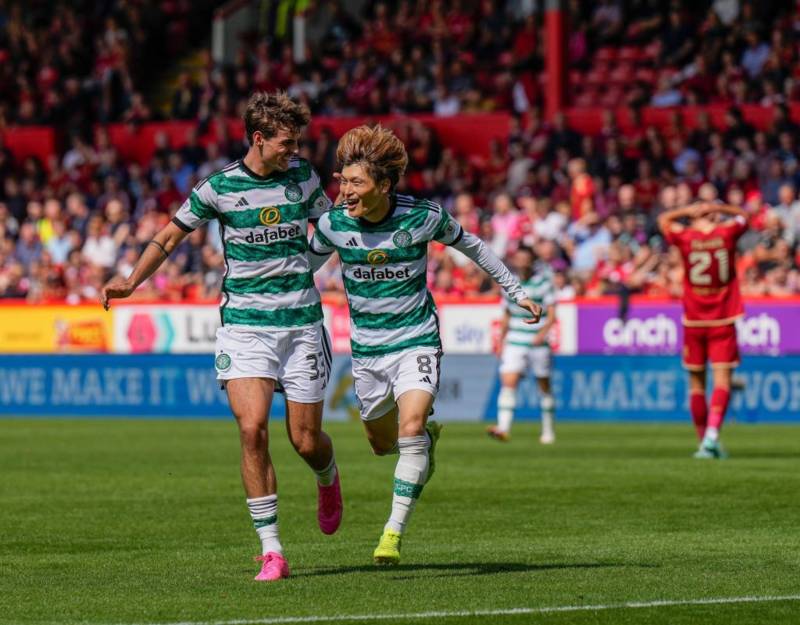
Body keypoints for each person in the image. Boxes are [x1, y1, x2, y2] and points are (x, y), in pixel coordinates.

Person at [100, 92, 342, 581]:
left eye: (296, 143)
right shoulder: (219, 187)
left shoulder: (303, 177)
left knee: (304, 440)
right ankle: (272, 550)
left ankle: (327, 476)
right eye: (286, 143)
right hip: (245, 327)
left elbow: (333, 226)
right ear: (259, 138)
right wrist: (132, 280)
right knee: (252, 429)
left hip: (300, 324)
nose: (293, 151)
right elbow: (169, 236)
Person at [307, 125, 541, 564]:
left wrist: (517, 292)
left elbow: (474, 247)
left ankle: (391, 534)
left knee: (411, 427)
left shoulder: (422, 216)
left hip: (416, 338)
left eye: (356, 183)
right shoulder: (333, 224)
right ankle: (423, 446)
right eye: (343, 181)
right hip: (367, 349)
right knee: (381, 444)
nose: (345, 191)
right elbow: (303, 268)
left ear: (384, 185)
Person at [658, 201, 749, 459]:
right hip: (722, 317)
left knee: (696, 384)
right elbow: (745, 217)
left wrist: (686, 211)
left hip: (694, 320)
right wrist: (723, 208)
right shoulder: (726, 233)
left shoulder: (687, 237)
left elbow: (664, 220)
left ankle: (704, 443)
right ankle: (711, 438)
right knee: (722, 381)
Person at [487, 246, 557, 444]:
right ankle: (503, 428)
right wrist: (501, 341)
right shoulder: (509, 282)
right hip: (515, 339)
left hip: (537, 341)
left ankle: (548, 430)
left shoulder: (544, 282)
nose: (522, 262)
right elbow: (506, 315)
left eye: (526, 258)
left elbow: (552, 315)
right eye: (519, 258)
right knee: (508, 382)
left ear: (532, 261)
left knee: (544, 385)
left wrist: (542, 334)